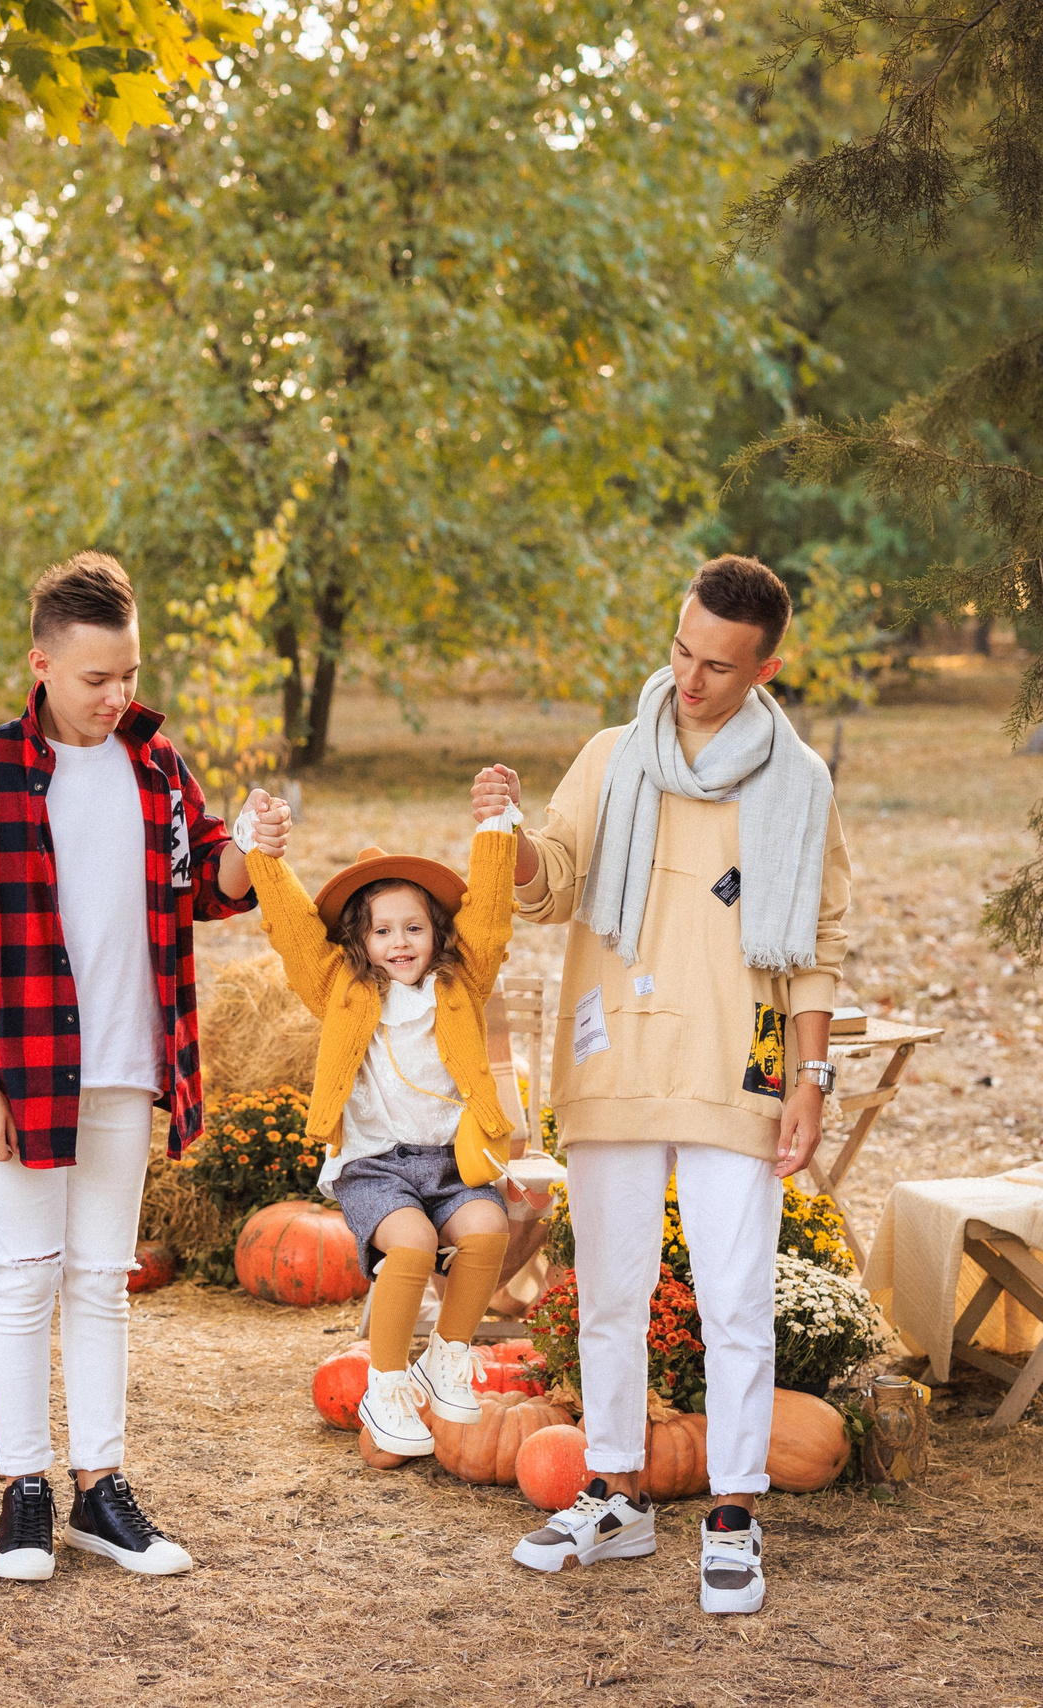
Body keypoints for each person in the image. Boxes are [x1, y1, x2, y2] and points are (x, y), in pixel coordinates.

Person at [500, 555, 852, 1616]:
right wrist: (509, 842)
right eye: (680, 652)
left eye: (716, 666)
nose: (689, 679)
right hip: (616, 1057)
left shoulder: (795, 785)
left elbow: (822, 938)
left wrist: (810, 1077)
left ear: (765, 667)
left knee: (737, 1298)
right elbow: (551, 884)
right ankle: (612, 1492)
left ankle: (735, 1508)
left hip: (732, 1062)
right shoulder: (613, 758)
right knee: (606, 1289)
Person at [0, 550, 260, 1582]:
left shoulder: (158, 770)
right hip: (17, 1072)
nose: (119, 697)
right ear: (43, 664)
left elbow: (214, 887)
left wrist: (254, 842)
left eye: (130, 675)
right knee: (23, 1278)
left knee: (101, 1282)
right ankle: (24, 1491)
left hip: (123, 1063)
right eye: (97, 678)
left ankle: (98, 1491)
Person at [233, 778, 532, 1457]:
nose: (400, 943)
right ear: (360, 939)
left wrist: (495, 828)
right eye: (383, 931)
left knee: (486, 1232)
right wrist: (262, 854)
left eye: (415, 928)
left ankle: (447, 1356)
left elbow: (490, 915)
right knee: (415, 1245)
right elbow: (292, 929)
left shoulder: (462, 983)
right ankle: (387, 1381)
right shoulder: (339, 988)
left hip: (452, 1162)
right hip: (375, 1166)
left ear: (436, 933)